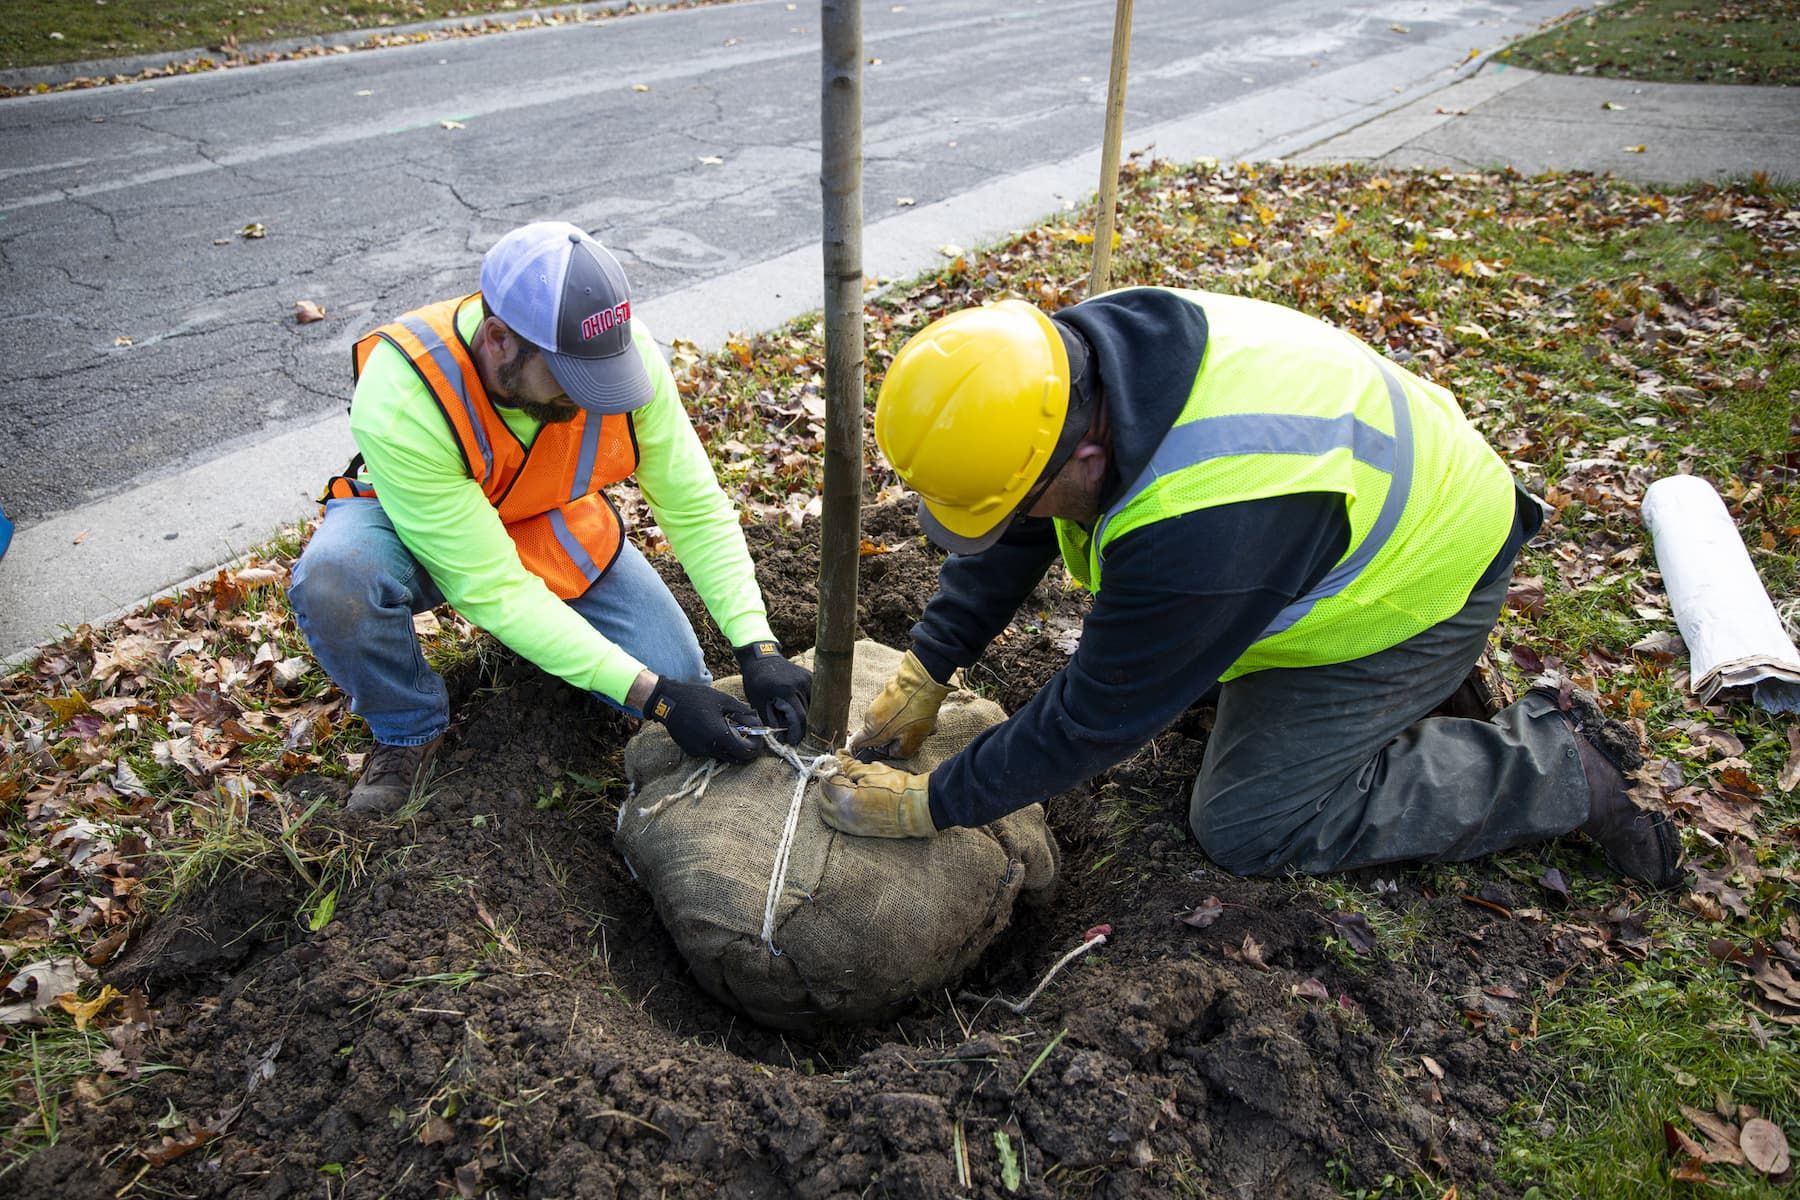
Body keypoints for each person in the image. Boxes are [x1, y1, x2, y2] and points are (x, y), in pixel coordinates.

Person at [819, 287, 1681, 888]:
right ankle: (1410, 698)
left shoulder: (1204, 525)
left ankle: (1559, 766)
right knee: (1187, 659)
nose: (1008, 525)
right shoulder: (1070, 367)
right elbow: (1020, 516)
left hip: (1423, 575)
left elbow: (1094, 716)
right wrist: (928, 664)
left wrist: (934, 803)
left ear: (1083, 454)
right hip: (1364, 507)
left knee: (1250, 823)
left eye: (1017, 504)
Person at [290, 222, 809, 814]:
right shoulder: (407, 396)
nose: (591, 398)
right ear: (499, 340)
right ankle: (407, 726)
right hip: (417, 524)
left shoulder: (616, 357)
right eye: (571, 382)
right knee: (337, 580)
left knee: (678, 669)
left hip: (542, 514)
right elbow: (492, 587)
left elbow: (693, 505)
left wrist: (756, 647)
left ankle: (562, 651)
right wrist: (657, 701)